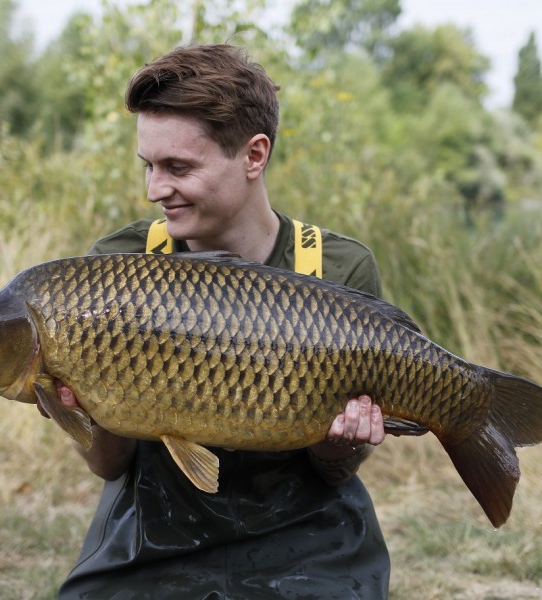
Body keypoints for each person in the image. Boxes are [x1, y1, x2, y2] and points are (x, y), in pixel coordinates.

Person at [54, 44, 391, 599]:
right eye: (149, 166)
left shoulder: (336, 268)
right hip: (155, 528)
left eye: (178, 167)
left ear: (254, 155)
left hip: (305, 531)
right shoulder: (119, 265)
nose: (154, 189)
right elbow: (108, 467)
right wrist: (85, 400)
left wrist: (341, 445)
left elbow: (335, 472)